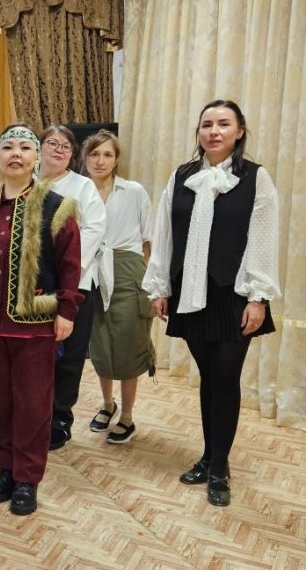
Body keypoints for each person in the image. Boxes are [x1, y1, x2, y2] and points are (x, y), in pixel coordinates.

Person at [143, 99, 280, 507]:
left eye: (223, 124)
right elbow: (164, 232)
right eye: (207, 124)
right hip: (189, 290)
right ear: (199, 131)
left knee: (226, 375)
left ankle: (219, 467)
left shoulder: (255, 177)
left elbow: (263, 237)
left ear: (240, 131)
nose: (214, 131)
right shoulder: (181, 176)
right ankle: (209, 455)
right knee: (209, 376)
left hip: (234, 293)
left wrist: (258, 296)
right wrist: (160, 286)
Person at [0, 124, 82, 515]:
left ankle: (28, 478)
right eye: (8, 147)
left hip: (34, 327)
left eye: (25, 148)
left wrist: (67, 310)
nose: (16, 154)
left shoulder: (57, 206)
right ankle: (6, 468)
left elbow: (70, 265)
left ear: (36, 157)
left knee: (32, 406)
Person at [83, 130, 155, 444]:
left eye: (107, 155)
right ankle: (107, 403)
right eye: (94, 154)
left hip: (129, 270)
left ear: (116, 159)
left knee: (127, 344)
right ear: (85, 158)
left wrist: (151, 284)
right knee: (100, 343)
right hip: (93, 271)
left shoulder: (133, 190)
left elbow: (149, 241)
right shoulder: (79, 192)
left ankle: (127, 416)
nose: (100, 161)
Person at [38, 125, 107, 450]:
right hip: (33, 289)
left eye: (66, 146)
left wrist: (64, 267)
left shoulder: (83, 186)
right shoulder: (27, 182)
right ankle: (34, 416)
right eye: (52, 143)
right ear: (39, 147)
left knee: (69, 356)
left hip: (75, 285)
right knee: (36, 357)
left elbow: (94, 229)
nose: (58, 149)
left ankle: (60, 420)